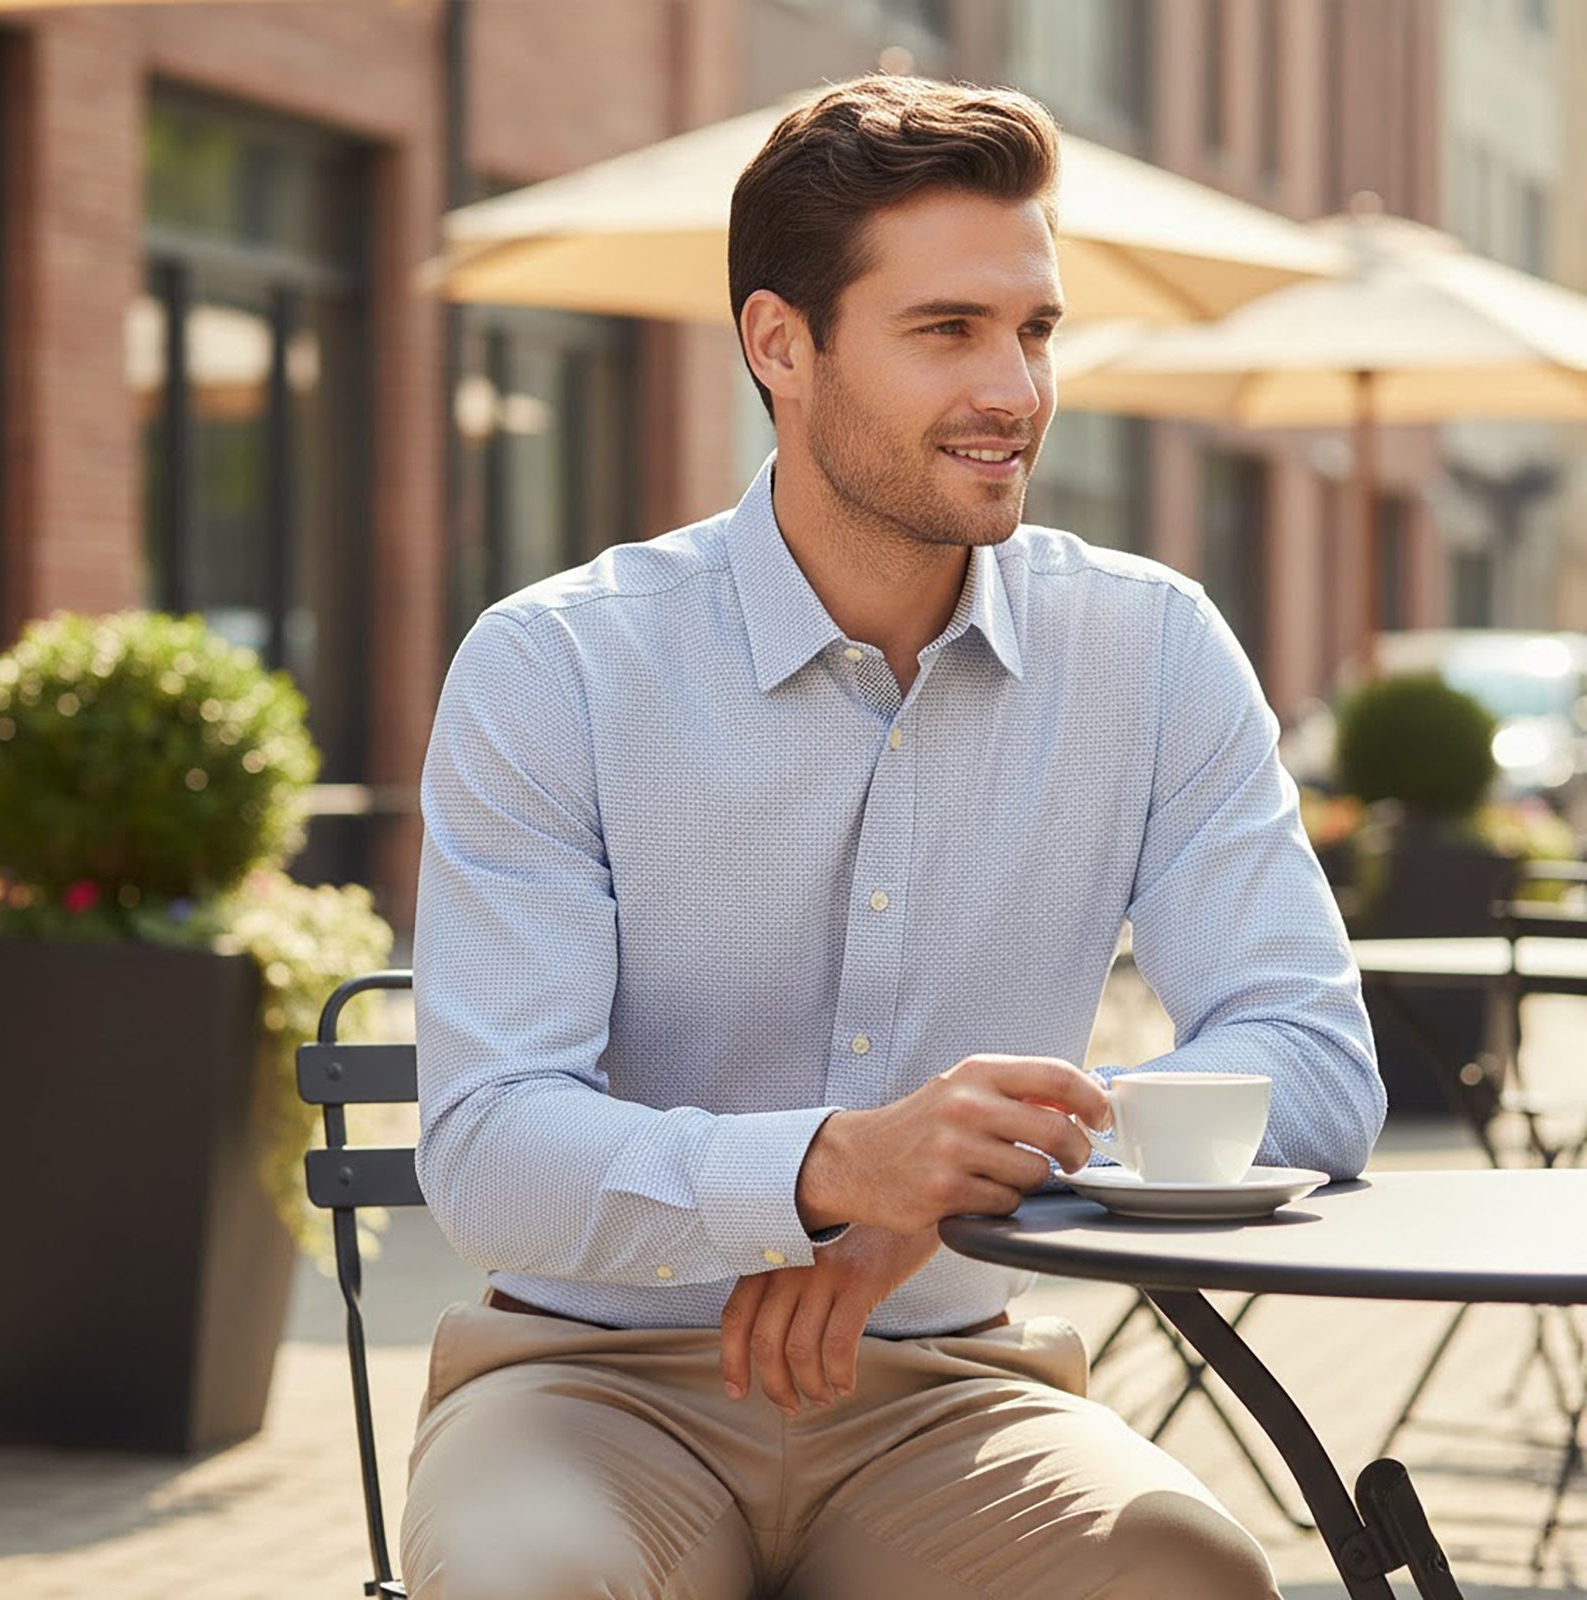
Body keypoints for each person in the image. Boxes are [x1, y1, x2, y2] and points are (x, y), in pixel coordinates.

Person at [404, 72, 1384, 1600]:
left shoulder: (1152, 648)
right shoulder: (558, 667)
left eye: (1036, 329)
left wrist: (951, 1189)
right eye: (948, 331)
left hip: (955, 1392)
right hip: (585, 1386)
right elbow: (487, 1146)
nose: (1017, 389)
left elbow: (1315, 1067)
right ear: (778, 347)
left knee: (1192, 1577)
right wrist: (831, 1169)